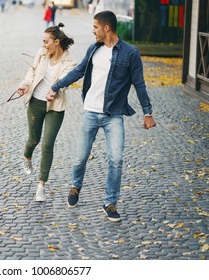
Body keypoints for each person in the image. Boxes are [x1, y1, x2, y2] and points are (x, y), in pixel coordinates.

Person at [50, 10, 156, 222]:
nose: (93, 31)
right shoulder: (93, 49)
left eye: (95, 27)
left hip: (113, 115)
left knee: (116, 159)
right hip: (90, 111)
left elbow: (139, 84)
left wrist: (147, 112)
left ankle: (110, 202)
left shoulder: (130, 53)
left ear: (106, 28)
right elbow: (79, 71)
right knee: (80, 157)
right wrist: (56, 86)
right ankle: (75, 187)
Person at [17, 23, 76, 202]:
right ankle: (27, 156)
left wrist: (56, 91)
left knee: (47, 145)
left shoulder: (69, 62)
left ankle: (41, 185)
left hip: (55, 107)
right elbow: (32, 71)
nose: (43, 45)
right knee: (33, 140)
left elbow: (65, 82)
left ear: (56, 42)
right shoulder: (41, 54)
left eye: (46, 41)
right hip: (35, 103)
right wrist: (25, 84)